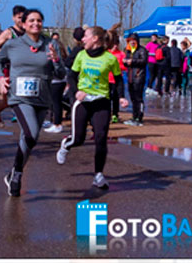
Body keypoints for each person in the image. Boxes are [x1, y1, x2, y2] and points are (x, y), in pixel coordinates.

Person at [0, 9, 65, 196]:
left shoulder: (51, 44)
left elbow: (61, 73)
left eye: (39, 20)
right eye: (31, 20)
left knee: (28, 140)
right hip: (19, 97)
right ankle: (17, 173)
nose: (36, 23)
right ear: (23, 24)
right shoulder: (13, 44)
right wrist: (1, 78)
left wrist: (57, 61)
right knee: (31, 134)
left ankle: (13, 174)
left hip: (42, 97)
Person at [56, 26, 129, 189]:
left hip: (101, 101)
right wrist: (76, 93)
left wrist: (122, 97)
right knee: (78, 139)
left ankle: (98, 175)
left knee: (101, 138)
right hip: (82, 101)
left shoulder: (110, 59)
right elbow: (72, 76)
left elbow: (118, 80)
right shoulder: (81, 55)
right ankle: (66, 145)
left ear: (95, 39)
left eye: (86, 36)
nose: (82, 39)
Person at [0, 5, 27, 125]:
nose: (22, 20)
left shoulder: (28, 32)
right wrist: (7, 55)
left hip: (24, 70)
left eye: (24, 17)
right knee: (8, 100)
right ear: (13, 18)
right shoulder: (9, 33)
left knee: (24, 96)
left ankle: (24, 120)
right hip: (9, 70)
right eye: (19, 17)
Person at [44, 32, 67, 133]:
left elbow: (58, 65)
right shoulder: (60, 47)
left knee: (56, 102)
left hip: (57, 79)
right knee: (55, 102)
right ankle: (54, 121)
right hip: (59, 79)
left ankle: (57, 124)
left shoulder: (56, 49)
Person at [123, 33, 148, 126]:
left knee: (138, 98)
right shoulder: (129, 51)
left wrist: (132, 61)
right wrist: (125, 61)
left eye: (133, 40)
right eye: (130, 40)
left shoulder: (142, 50)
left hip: (138, 76)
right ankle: (134, 116)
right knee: (133, 98)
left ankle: (139, 117)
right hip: (130, 77)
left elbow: (144, 61)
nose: (132, 42)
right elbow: (126, 61)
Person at [107, 33, 126, 123]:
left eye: (116, 44)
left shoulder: (121, 54)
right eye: (113, 44)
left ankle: (115, 114)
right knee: (107, 98)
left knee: (116, 98)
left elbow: (125, 66)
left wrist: (117, 67)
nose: (115, 46)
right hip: (107, 79)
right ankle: (107, 114)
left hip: (116, 79)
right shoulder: (107, 53)